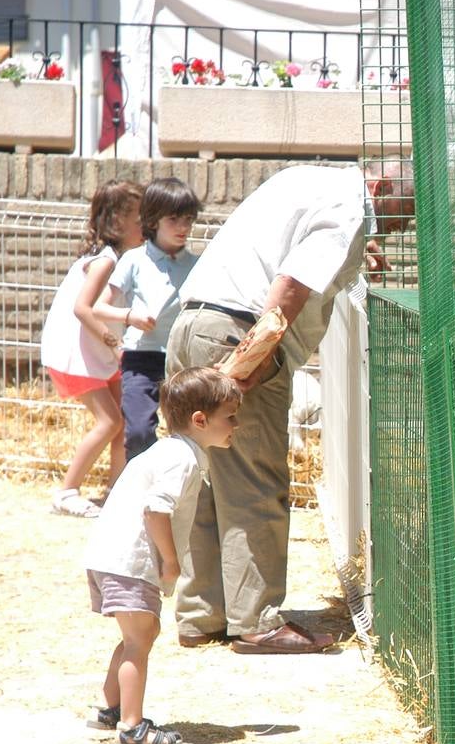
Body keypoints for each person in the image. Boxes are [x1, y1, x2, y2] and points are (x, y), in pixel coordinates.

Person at [165, 159, 412, 654]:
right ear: (380, 187)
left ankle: (200, 615)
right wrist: (251, 362)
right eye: (402, 213)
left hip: (191, 325)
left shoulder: (312, 181)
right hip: (236, 334)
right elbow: (291, 285)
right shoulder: (348, 209)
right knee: (255, 480)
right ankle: (256, 623)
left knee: (206, 476)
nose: (403, 227)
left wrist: (358, 252)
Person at [82, 366, 242, 744]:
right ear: (200, 420)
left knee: (140, 633)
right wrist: (170, 561)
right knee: (139, 639)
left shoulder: (175, 451)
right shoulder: (181, 458)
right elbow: (156, 510)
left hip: (112, 556)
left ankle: (110, 706)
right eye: (231, 417)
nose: (236, 424)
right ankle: (132, 728)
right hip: (131, 561)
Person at [39, 179, 145, 518]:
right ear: (117, 222)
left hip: (95, 353)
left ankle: (118, 488)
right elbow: (83, 308)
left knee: (124, 420)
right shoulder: (105, 261)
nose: (146, 225)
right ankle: (67, 492)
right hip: (79, 355)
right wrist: (115, 344)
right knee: (110, 421)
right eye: (140, 219)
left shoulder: (120, 258)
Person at [102, 177, 201, 461]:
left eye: (188, 219)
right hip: (140, 357)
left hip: (181, 359)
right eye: (174, 219)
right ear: (153, 220)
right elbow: (99, 307)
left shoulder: (197, 265)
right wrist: (130, 316)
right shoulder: (133, 260)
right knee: (139, 432)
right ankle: (140, 486)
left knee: (186, 433)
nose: (183, 228)